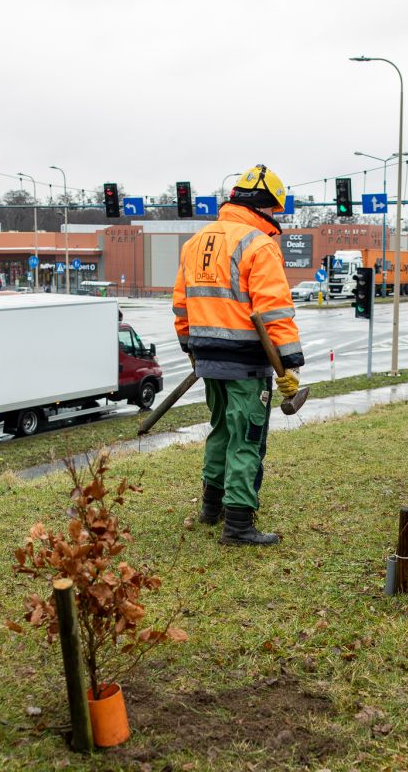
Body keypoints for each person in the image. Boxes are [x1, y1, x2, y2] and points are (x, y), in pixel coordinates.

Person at [172, 164, 303, 546]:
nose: (276, 218)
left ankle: (211, 509)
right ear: (264, 206)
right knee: (246, 437)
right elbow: (273, 310)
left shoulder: (195, 243)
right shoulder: (259, 245)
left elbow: (181, 305)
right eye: (275, 210)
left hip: (208, 359)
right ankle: (239, 523)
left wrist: (190, 347)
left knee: (221, 431)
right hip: (247, 362)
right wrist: (290, 362)